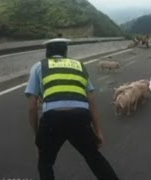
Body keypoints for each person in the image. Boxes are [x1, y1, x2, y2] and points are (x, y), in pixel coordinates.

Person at [25, 38, 119, 180]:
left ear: (47, 53)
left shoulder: (39, 66)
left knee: (45, 164)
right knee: (94, 157)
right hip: (80, 118)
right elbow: (92, 102)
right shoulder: (79, 66)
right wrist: (98, 131)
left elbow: (32, 107)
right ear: (66, 52)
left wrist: (37, 136)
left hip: (52, 120)